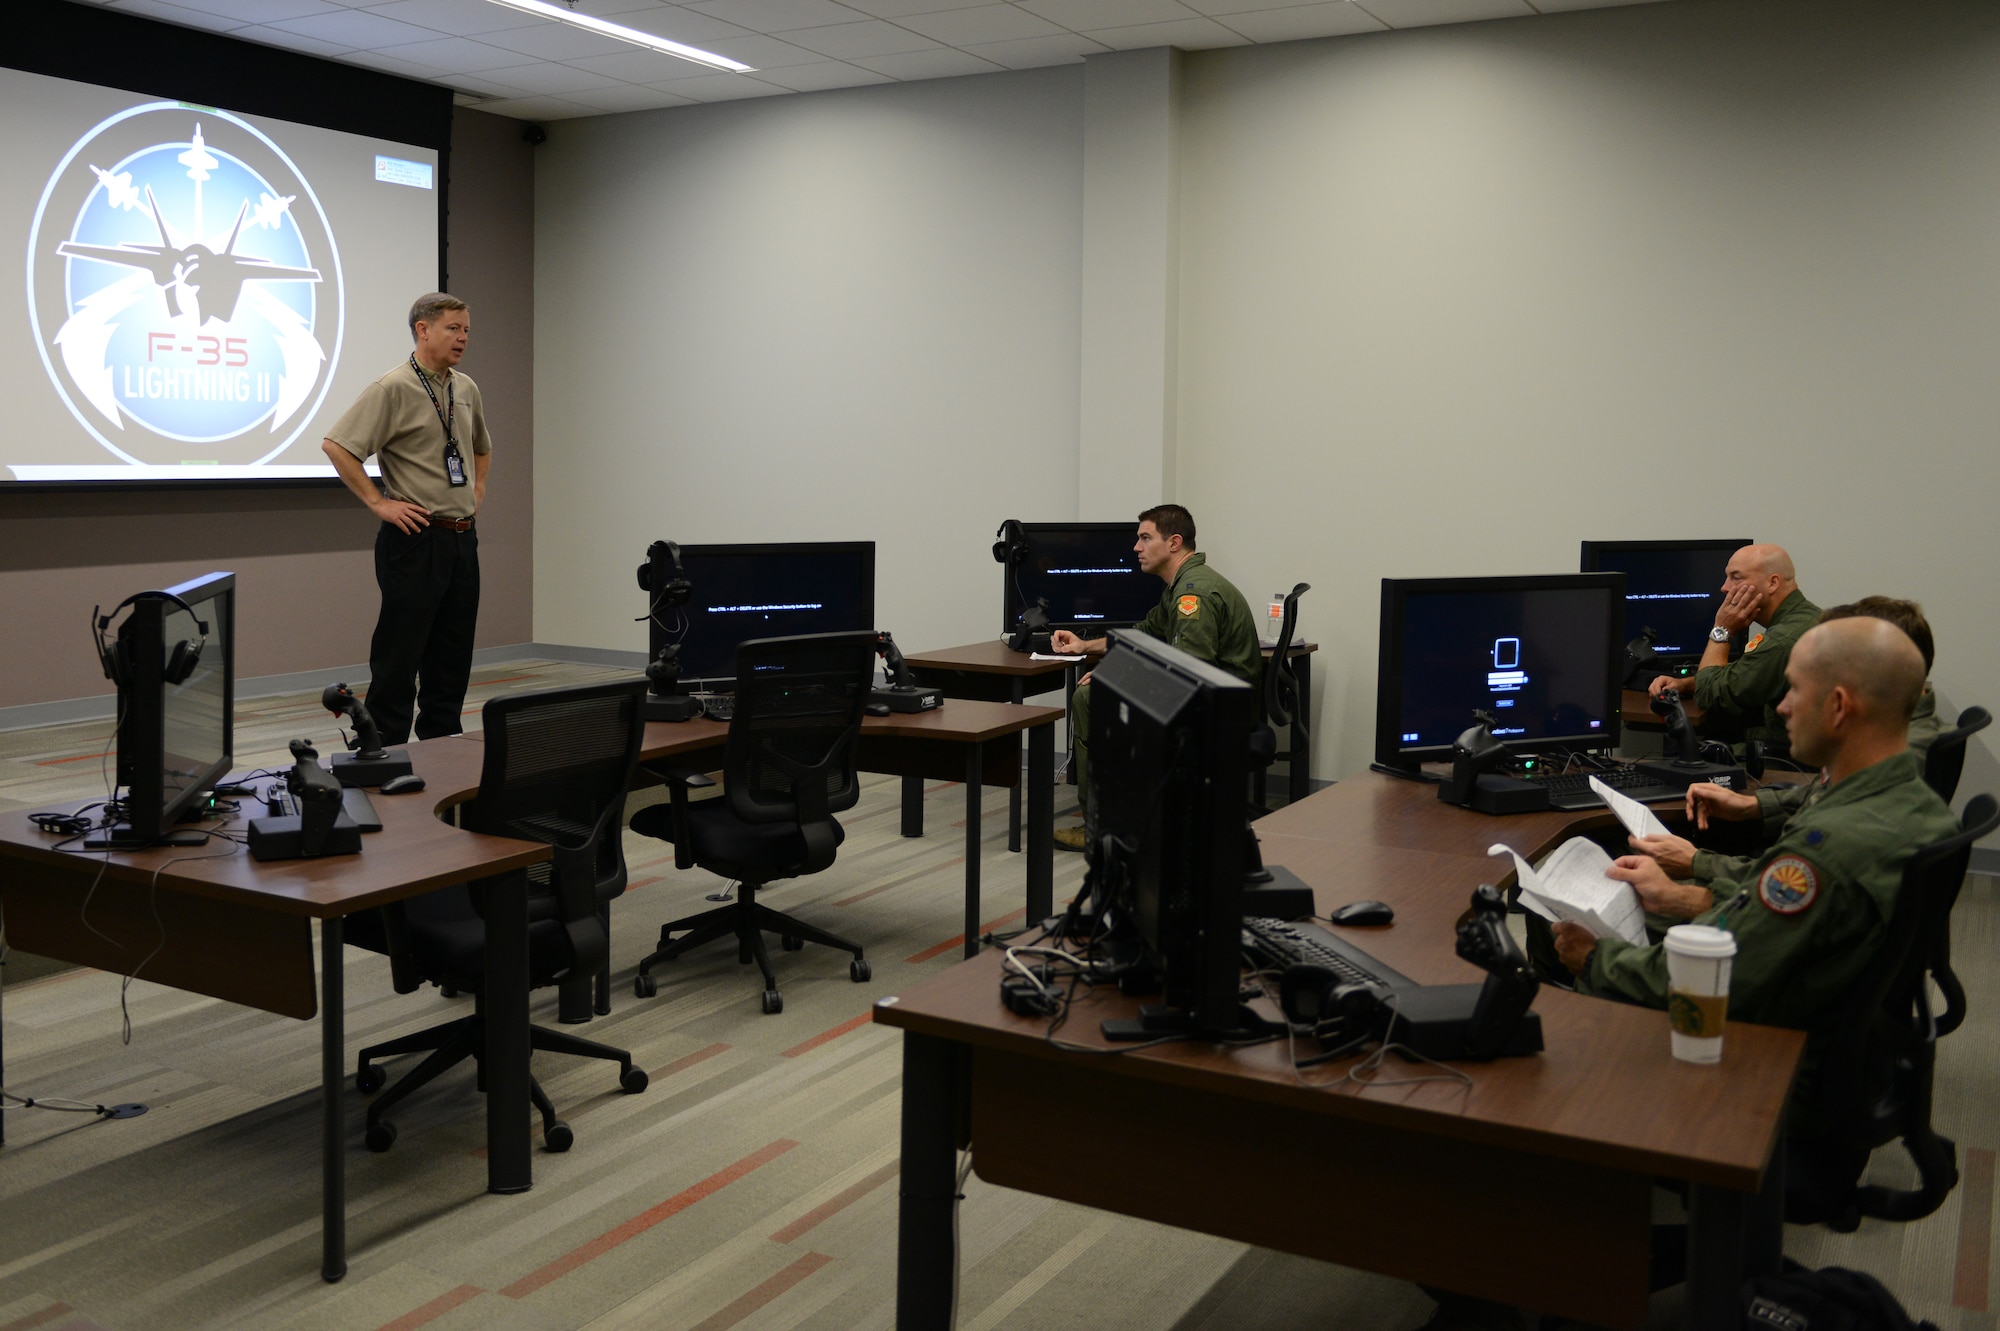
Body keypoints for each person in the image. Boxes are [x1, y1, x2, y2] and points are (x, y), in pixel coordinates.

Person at [1559, 618, 1955, 1121]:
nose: (1782, 707)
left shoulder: (1825, 850)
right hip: (1841, 1043)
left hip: (1774, 1062)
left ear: (1838, 706)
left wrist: (1595, 960)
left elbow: (1722, 977)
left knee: (1571, 962)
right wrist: (1687, 896)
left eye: (1792, 690)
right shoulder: (1918, 804)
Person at [1627, 596, 1943, 888]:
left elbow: (1767, 897)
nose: (1783, 706)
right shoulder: (1892, 757)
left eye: (1799, 689)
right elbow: (1825, 795)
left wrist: (1696, 867)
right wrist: (1754, 805)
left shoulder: (1837, 831)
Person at [322, 293, 492, 745]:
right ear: (423, 329)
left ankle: (442, 741)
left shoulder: (466, 388)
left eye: (466, 330)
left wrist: (476, 493)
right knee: (401, 652)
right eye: (454, 328)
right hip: (414, 538)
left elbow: (481, 447)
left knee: (453, 653)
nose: (463, 338)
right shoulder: (392, 387)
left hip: (461, 539)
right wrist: (380, 503)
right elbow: (338, 446)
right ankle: (385, 744)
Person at [1047, 504, 1261, 851]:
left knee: (1089, 699)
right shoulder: (1181, 585)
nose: (1136, 547)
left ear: (1174, 542)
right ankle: (1126, 817)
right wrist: (1086, 644)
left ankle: (1098, 828)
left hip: (1217, 714)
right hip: (1221, 706)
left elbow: (1192, 672)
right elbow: (1146, 634)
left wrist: (1117, 675)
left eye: (1145, 538)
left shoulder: (1193, 595)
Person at [1648, 543, 1819, 759]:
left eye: (1736, 578)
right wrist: (1689, 683)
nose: (1725, 587)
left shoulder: (1782, 641)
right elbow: (1749, 673)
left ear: (1772, 583)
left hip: (1787, 761)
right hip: (1793, 750)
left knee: (1690, 759)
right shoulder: (1805, 619)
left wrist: (1722, 629)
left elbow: (1709, 695)